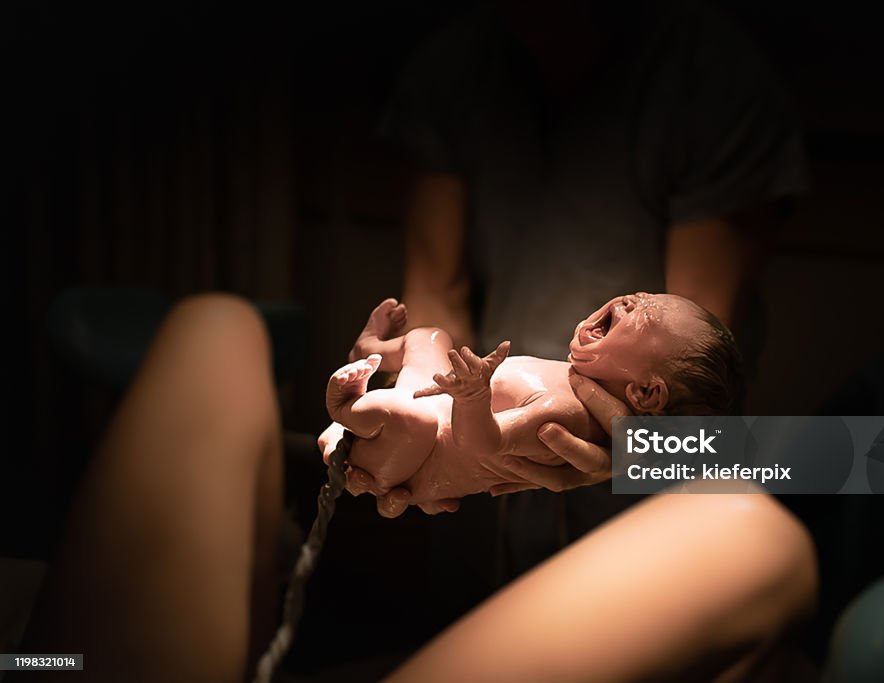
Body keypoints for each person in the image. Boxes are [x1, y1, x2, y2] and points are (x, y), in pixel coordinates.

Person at [15, 294, 818, 683]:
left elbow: (696, 390)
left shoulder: (701, 87)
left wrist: (655, 451)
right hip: (454, 429)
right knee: (218, 321)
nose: (622, 305)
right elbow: (437, 320)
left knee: (752, 526)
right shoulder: (461, 75)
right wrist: (420, 383)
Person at [368, 0, 807, 576]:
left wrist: (629, 446)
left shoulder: (706, 72)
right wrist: (417, 395)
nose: (630, 302)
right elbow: (434, 294)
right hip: (490, 485)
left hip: (661, 483)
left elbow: (689, 350)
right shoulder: (454, 67)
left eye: (642, 307)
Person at [322, 293, 741, 513]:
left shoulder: (568, 415)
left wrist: (473, 397)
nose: (633, 300)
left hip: (415, 448)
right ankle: (369, 348)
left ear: (646, 393)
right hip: (423, 408)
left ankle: (345, 408)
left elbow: (480, 446)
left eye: (650, 316)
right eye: (647, 293)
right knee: (430, 337)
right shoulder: (575, 380)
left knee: (407, 416)